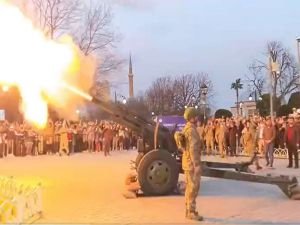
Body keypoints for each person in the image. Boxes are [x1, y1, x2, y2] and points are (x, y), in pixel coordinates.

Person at [182, 107, 203, 221]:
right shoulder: (191, 130)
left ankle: (189, 210)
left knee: (189, 187)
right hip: (191, 164)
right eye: (196, 116)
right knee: (193, 188)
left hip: (187, 162)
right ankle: (191, 211)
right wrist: (197, 165)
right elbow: (193, 149)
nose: (197, 118)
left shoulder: (186, 129)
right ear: (192, 117)